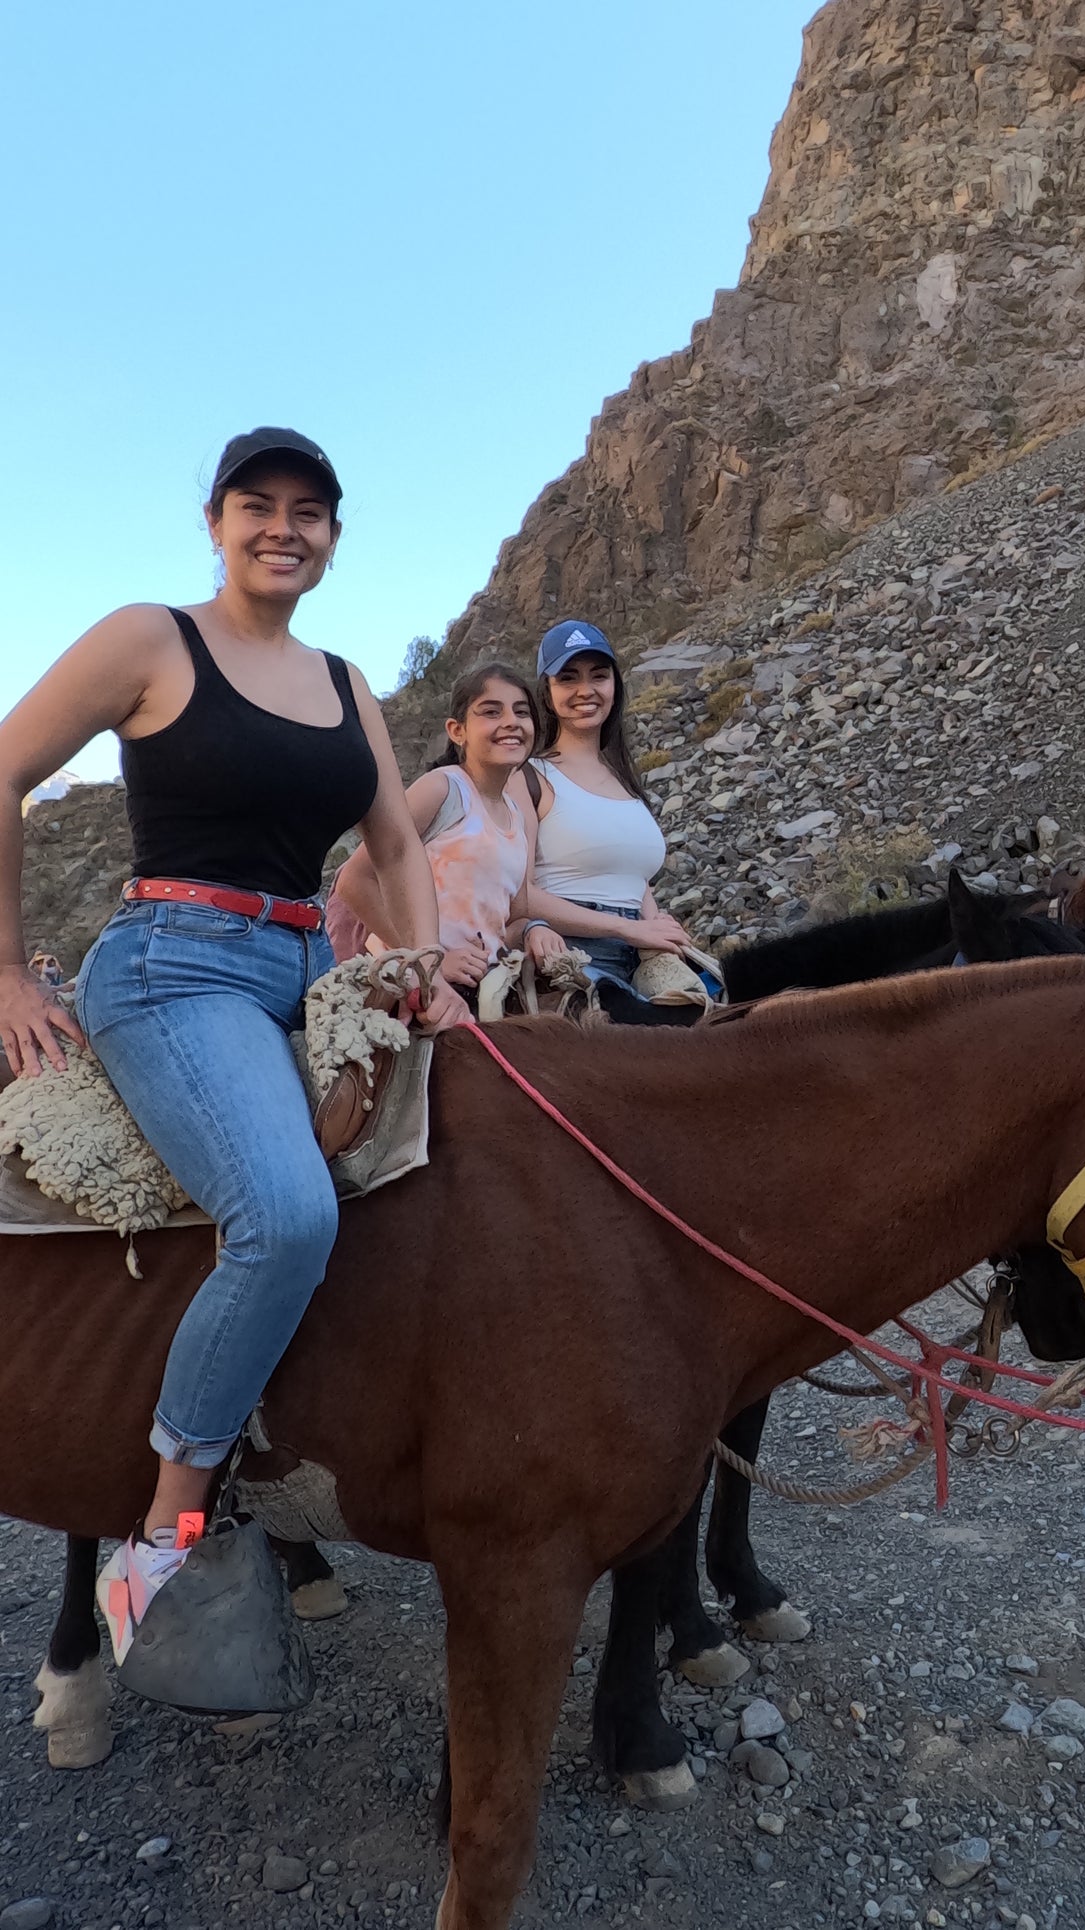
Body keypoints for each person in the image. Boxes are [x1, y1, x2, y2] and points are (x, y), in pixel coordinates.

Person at [0, 427, 466, 1696]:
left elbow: (398, 843)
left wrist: (422, 968)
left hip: (313, 961)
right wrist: (4, 966)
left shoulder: (345, 680)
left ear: (331, 536)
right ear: (215, 521)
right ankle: (171, 1522)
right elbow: (5, 770)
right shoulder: (153, 639)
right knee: (288, 1210)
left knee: (454, 1172)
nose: (284, 525)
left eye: (309, 510)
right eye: (258, 504)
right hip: (174, 960)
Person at [329, 661, 568, 993]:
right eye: (491, 712)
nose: (511, 722)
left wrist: (533, 929)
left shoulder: (517, 815)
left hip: (476, 986)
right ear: (458, 731)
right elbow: (354, 881)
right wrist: (431, 959)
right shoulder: (443, 789)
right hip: (407, 984)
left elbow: (509, 919)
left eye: (521, 712)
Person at [523, 620, 702, 1014]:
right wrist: (628, 928)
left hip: (642, 954)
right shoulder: (530, 776)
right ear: (547, 694)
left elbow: (635, 880)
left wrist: (658, 932)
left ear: (614, 687)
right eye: (568, 678)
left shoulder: (625, 780)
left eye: (598, 676)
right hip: (571, 954)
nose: (585, 690)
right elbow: (515, 889)